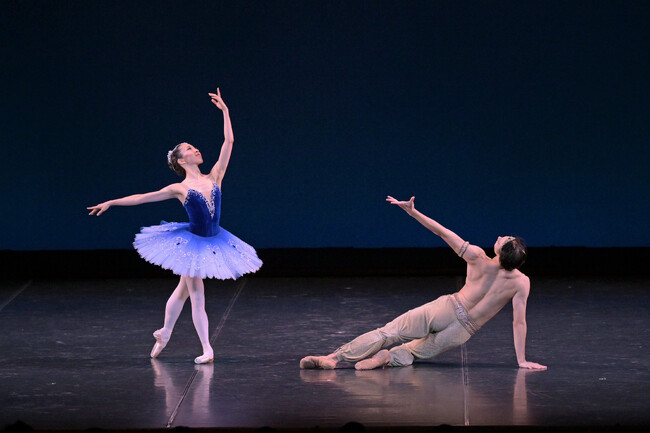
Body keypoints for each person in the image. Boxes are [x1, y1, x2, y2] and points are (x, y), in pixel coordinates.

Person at [88, 89, 262, 364]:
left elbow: (229, 141)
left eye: (195, 147)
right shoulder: (179, 188)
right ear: (182, 160)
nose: (196, 149)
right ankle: (207, 348)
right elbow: (142, 198)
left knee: (182, 291)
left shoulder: (215, 176)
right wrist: (112, 201)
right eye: (190, 149)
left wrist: (226, 112)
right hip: (193, 244)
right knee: (197, 294)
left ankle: (165, 332)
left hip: (215, 239)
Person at [300, 196, 546, 371]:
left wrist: (413, 212)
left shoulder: (478, 257)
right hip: (462, 331)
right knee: (412, 352)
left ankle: (334, 358)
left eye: (504, 239)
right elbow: (519, 322)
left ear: (501, 252)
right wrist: (521, 360)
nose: (501, 236)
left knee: (389, 332)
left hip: (447, 309)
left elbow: (442, 232)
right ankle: (388, 358)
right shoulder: (521, 282)